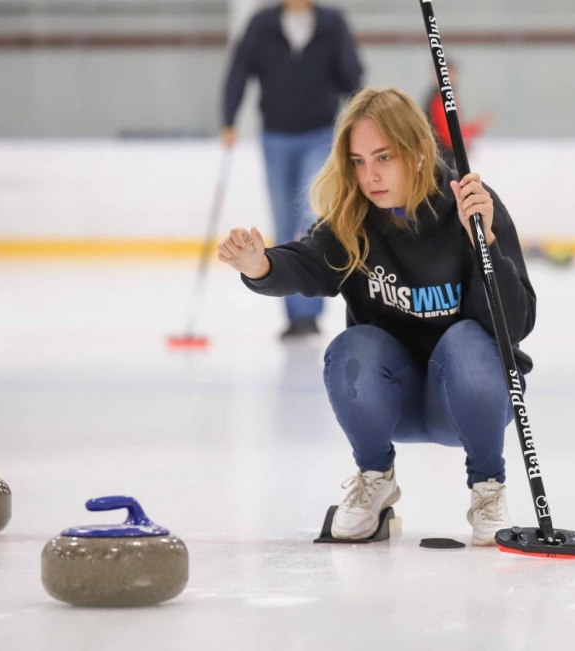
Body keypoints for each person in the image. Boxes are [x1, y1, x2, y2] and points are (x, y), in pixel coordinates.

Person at [217, 87, 536, 545]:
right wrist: (259, 266)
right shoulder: (354, 220)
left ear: (417, 151)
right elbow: (305, 263)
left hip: (471, 400)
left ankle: (488, 485)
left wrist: (483, 244)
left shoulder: (469, 206)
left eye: (383, 157)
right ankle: (375, 478)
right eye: (359, 161)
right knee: (352, 348)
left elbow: (518, 323)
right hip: (395, 402)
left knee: (467, 341)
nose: (370, 175)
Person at [221, 0, 363, 340]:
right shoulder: (261, 24)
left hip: (320, 133)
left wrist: (359, 118)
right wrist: (229, 118)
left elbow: (353, 76)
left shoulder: (332, 23)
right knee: (284, 220)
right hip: (276, 136)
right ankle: (295, 315)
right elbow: (239, 70)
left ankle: (309, 311)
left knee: (310, 212)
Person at [423, 63, 491, 171]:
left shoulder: (442, 97)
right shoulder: (440, 99)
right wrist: (476, 127)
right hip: (442, 162)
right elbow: (449, 136)